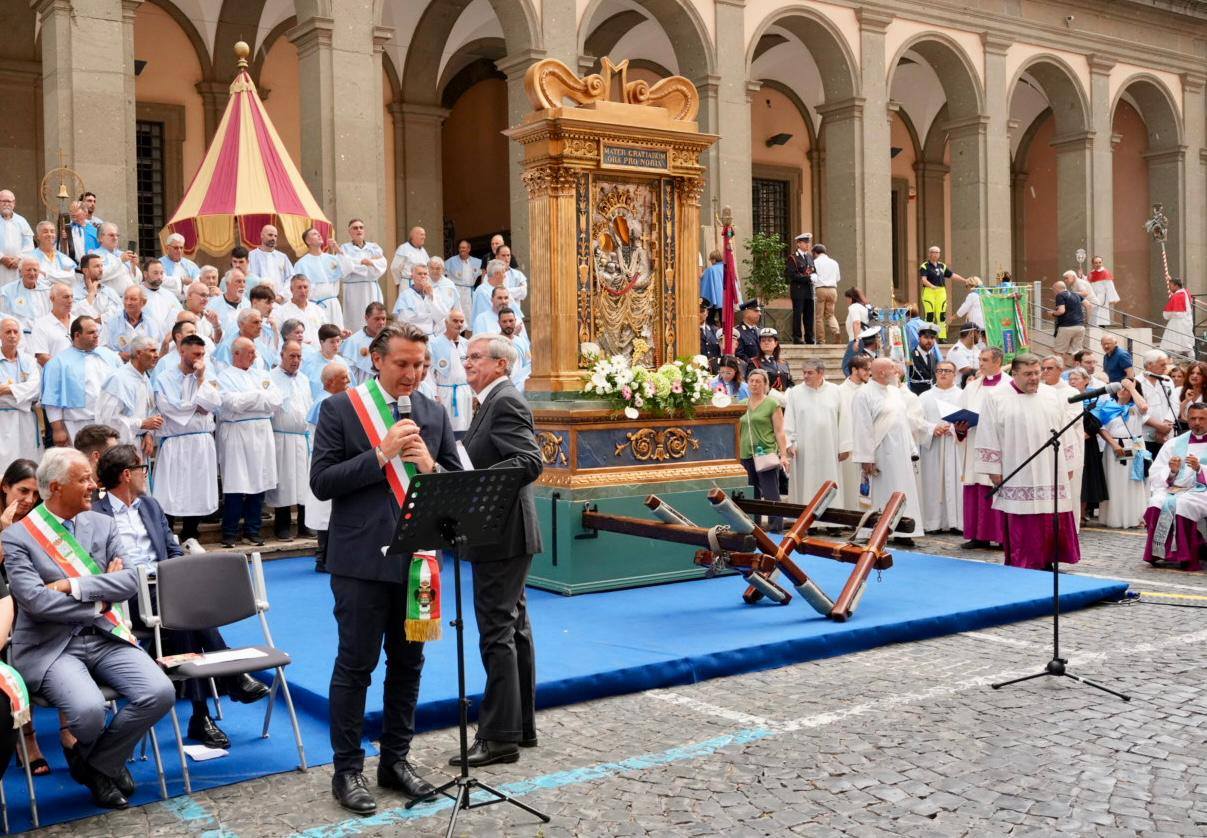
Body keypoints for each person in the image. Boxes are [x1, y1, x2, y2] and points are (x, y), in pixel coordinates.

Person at [310, 321, 460, 813]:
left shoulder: (433, 412)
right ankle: (347, 769)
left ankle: (395, 759)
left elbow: (456, 482)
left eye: (420, 364)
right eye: (402, 364)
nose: (412, 374)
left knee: (409, 664)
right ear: (377, 359)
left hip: (417, 561)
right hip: (360, 561)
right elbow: (322, 482)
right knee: (356, 665)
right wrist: (380, 454)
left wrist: (431, 466)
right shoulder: (341, 408)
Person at [1, 447, 176, 808]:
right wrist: (100, 598)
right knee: (89, 710)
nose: (94, 486)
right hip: (52, 646)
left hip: (105, 634)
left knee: (159, 691)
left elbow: (128, 581)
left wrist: (72, 586)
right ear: (55, 487)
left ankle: (96, 765)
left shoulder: (102, 523)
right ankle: (103, 766)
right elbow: (36, 602)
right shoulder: (18, 537)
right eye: (83, 479)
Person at [92, 444, 270, 749]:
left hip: (167, 589)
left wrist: (177, 577)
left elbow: (173, 550)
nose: (146, 474)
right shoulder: (95, 514)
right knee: (183, 609)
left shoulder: (150, 506)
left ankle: (202, 714)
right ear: (126, 475)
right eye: (142, 468)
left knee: (182, 614)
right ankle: (229, 679)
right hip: (128, 595)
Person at [453, 332, 544, 767]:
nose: (467, 363)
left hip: (502, 534)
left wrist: (477, 485)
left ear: (500, 364)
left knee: (497, 631)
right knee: (512, 628)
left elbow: (529, 460)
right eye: (466, 356)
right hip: (504, 533)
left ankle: (498, 736)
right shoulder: (491, 400)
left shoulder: (504, 401)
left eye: (475, 357)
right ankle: (519, 726)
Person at [975, 353, 1080, 569]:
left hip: (1050, 468)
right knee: (1023, 519)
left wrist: (1068, 463)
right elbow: (987, 433)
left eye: (1037, 373)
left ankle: (1048, 561)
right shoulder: (996, 397)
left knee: (1051, 514)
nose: (1034, 378)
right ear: (1014, 373)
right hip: (1016, 467)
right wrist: (993, 469)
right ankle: (1023, 562)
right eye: (1028, 374)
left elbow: (1064, 429)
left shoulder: (1052, 395)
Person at [0, 458, 48, 775]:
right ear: (5, 487)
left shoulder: (40, 519)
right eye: (22, 491)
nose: (29, 500)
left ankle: (68, 730)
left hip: (33, 599)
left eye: (35, 493)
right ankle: (27, 738)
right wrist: (5, 531)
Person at [152, 335, 220, 547]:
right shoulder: (164, 378)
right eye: (196, 354)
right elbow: (168, 407)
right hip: (176, 441)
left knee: (197, 488)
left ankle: (191, 533)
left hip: (201, 440)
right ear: (182, 352)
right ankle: (167, 535)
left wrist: (200, 380)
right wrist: (196, 405)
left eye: (202, 354)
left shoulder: (207, 375)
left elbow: (213, 403)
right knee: (171, 490)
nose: (200, 358)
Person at [215, 338, 282, 548]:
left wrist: (250, 399)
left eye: (254, 352)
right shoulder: (224, 376)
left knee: (259, 481)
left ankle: (253, 531)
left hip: (261, 433)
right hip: (236, 434)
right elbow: (231, 403)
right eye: (250, 352)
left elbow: (276, 401)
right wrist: (260, 396)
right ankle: (230, 532)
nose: (254, 357)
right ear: (236, 354)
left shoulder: (262, 375)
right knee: (236, 483)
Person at [851, 358, 924, 545]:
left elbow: (903, 422)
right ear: (882, 372)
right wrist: (866, 458)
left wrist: (911, 449)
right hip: (880, 452)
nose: (896, 370)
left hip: (901, 452)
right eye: (892, 368)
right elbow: (862, 428)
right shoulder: (863, 394)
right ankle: (879, 531)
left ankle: (903, 531)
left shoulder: (895, 392)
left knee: (904, 489)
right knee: (883, 492)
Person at [955, 347, 1011, 549]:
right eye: (979, 359)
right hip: (973, 441)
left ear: (998, 361)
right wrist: (959, 428)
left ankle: (1002, 536)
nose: (980, 363)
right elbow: (959, 411)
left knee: (996, 487)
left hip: (998, 443)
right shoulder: (972, 387)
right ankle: (978, 535)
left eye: (985, 360)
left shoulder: (1009, 386)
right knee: (976, 487)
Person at [1142, 401, 1207, 571]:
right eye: (1193, 418)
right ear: (1187, 419)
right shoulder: (1174, 443)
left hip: (1202, 490)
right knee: (1157, 502)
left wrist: (1200, 469)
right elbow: (1156, 472)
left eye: (1202, 418)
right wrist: (1172, 471)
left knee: (1184, 504)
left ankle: (1187, 555)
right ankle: (1157, 552)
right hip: (1175, 488)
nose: (1197, 423)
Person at [42, 316, 122, 446]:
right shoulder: (58, 363)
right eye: (91, 332)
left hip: (109, 422)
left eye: (97, 332)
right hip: (77, 424)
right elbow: (52, 399)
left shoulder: (111, 356)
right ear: (77, 335)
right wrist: (57, 429)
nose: (96, 335)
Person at [784, 358, 851, 505]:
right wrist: (789, 444)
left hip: (830, 447)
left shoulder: (836, 391)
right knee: (806, 485)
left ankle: (831, 515)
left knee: (830, 480)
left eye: (810, 373)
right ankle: (807, 515)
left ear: (821, 373)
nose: (805, 376)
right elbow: (789, 420)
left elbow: (844, 419)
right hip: (804, 450)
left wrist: (845, 447)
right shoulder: (795, 393)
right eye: (804, 372)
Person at [304, 362, 349, 574]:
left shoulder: (330, 401)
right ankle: (323, 557)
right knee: (324, 511)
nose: (349, 382)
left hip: (331, 460)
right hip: (326, 461)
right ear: (331, 382)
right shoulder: (326, 404)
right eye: (344, 378)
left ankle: (329, 556)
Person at [267, 341, 314, 541]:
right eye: (291, 356)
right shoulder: (271, 377)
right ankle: (282, 526)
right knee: (284, 482)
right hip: (281, 435)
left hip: (301, 437)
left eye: (298, 356)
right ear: (282, 355)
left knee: (304, 482)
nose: (295, 360)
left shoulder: (303, 379)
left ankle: (305, 524)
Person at [737, 368, 790, 525]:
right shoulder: (741, 404)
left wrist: (783, 455)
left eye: (758, 381)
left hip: (765, 452)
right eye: (751, 381)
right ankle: (755, 526)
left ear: (765, 384)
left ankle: (776, 526)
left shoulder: (772, 404)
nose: (754, 384)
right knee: (751, 493)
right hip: (746, 452)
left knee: (770, 492)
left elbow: (779, 431)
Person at [916, 360, 963, 533]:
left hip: (955, 446)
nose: (943, 374)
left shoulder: (962, 395)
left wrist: (953, 428)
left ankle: (956, 522)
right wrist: (932, 428)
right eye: (940, 370)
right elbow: (917, 421)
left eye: (947, 371)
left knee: (956, 483)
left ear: (955, 374)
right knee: (932, 483)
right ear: (935, 373)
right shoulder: (924, 397)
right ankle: (933, 522)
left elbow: (969, 419)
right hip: (933, 446)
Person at [95, 336, 161, 456]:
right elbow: (108, 419)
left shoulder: (145, 378)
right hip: (119, 449)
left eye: (157, 350)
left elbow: (150, 412)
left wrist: (148, 434)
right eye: (152, 351)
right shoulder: (118, 379)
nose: (157, 355)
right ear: (139, 353)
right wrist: (140, 424)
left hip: (140, 446)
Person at [1097, 385, 1149, 529]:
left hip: (1134, 447)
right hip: (1114, 447)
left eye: (1126, 389)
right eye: (1121, 388)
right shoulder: (1108, 406)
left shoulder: (1135, 408)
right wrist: (1114, 444)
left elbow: (1144, 407)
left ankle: (1136, 517)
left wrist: (1132, 388)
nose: (1122, 391)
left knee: (1134, 481)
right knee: (1114, 481)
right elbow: (1101, 428)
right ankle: (1114, 517)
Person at [1068, 367, 1109, 523]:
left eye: (1076, 379)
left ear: (1086, 380)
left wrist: (1084, 434)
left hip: (1087, 441)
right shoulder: (1067, 396)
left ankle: (1081, 512)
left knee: (1085, 478)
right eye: (1070, 379)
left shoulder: (1095, 397)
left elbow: (1097, 419)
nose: (1072, 382)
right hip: (1069, 439)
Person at [293, 227, 354, 330]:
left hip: (333, 305)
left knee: (337, 333)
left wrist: (338, 250)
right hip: (315, 306)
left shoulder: (332, 258)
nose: (319, 235)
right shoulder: (301, 263)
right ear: (308, 241)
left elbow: (349, 268)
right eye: (314, 234)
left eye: (319, 233)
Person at [0, 317, 41, 467]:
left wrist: (8, 389)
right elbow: (29, 392)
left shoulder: (29, 361)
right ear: (0, 335)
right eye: (8, 332)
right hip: (3, 422)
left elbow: (36, 389)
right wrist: (23, 396)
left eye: (15, 332)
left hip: (26, 420)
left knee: (28, 464)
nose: (12, 335)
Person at [339, 219, 387, 333]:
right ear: (349, 231)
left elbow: (383, 263)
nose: (359, 230)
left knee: (375, 315)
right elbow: (345, 266)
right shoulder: (344, 248)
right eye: (355, 228)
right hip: (354, 290)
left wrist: (368, 262)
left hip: (371, 287)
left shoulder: (374, 247)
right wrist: (368, 264)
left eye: (361, 227)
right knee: (355, 319)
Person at [426, 310, 471, 434]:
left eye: (461, 321)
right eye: (455, 321)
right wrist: (434, 394)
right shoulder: (434, 344)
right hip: (444, 393)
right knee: (446, 429)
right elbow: (429, 372)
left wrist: (474, 393)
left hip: (465, 393)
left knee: (465, 429)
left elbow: (473, 370)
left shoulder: (467, 344)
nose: (459, 324)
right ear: (446, 323)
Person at [1138, 349, 1180, 473]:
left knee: (1166, 470)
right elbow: (1138, 410)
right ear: (1149, 364)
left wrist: (1165, 426)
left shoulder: (1166, 380)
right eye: (1162, 365)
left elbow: (1174, 404)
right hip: (1146, 435)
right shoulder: (1137, 382)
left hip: (1166, 433)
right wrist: (1158, 426)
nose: (1165, 368)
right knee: (1148, 470)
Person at [837, 356, 871, 510]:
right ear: (854, 370)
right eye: (866, 369)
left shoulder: (870, 390)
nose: (869, 373)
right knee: (850, 487)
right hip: (849, 446)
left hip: (868, 444)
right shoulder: (839, 391)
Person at [103, 285, 164, 362]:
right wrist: (118, 354)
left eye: (133, 299)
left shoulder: (152, 323)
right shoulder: (112, 321)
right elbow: (104, 348)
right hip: (119, 364)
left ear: (143, 302)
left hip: (146, 365)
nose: (128, 303)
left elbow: (159, 346)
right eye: (126, 299)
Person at [918, 245, 965, 340]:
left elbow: (952, 275)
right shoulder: (925, 266)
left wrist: (964, 280)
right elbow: (924, 280)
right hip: (929, 292)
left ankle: (942, 337)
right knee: (930, 314)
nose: (936, 254)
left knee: (941, 315)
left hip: (941, 291)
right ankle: (929, 336)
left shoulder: (942, 266)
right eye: (934, 252)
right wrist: (932, 286)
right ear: (930, 254)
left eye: (937, 252)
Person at [340, 302, 388, 386]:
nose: (381, 322)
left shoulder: (390, 339)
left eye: (383, 319)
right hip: (364, 388)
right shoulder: (354, 341)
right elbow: (350, 373)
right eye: (377, 319)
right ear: (366, 318)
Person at [0, 256, 50, 335]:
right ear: (20, 272)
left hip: (43, 334)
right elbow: (3, 316)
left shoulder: (47, 291)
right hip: (18, 335)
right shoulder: (6, 291)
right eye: (28, 270)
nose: (32, 273)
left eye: (35, 270)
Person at [213, 307, 273, 372]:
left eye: (260, 322)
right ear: (241, 324)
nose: (260, 326)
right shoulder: (227, 347)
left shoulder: (259, 343)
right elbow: (222, 372)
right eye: (255, 322)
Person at [29, 283, 75, 366]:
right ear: (52, 299)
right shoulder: (41, 325)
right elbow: (42, 357)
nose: (70, 301)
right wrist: (67, 369)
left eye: (72, 297)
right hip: (56, 372)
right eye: (66, 297)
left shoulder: (78, 321)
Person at [89, 223, 141, 295]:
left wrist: (133, 266)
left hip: (129, 298)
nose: (115, 238)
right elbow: (99, 275)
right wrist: (120, 260)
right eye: (111, 235)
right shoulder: (94, 256)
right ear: (101, 238)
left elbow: (137, 280)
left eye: (117, 235)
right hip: (109, 298)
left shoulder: (123, 254)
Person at [302, 324, 351, 400]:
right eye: (332, 342)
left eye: (338, 341)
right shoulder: (310, 363)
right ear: (322, 342)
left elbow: (350, 385)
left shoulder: (341, 361)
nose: (336, 345)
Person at [276, 275, 326, 346]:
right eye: (299, 287)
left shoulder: (318, 310)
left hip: (318, 350)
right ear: (291, 290)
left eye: (305, 287)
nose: (303, 291)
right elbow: (278, 337)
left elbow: (326, 333)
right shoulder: (281, 311)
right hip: (294, 351)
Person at [784, 233, 815, 344]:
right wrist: (808, 278)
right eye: (805, 242)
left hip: (809, 290)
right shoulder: (793, 258)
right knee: (798, 314)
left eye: (808, 243)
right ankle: (797, 337)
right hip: (798, 290)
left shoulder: (809, 257)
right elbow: (792, 275)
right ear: (798, 244)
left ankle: (809, 336)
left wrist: (814, 276)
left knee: (809, 314)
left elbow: (813, 270)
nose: (807, 245)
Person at [0, 190, 33, 287]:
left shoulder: (22, 221)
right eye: (3, 201)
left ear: (14, 203)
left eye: (9, 201)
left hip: (17, 267)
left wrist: (19, 258)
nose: (6, 204)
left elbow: (29, 245)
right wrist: (1, 258)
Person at [1051, 275, 1086, 368]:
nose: (1053, 292)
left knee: (1058, 352)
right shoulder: (1076, 294)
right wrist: (1086, 320)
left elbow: (1061, 311)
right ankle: (1078, 371)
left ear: (1057, 289)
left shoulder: (1060, 295)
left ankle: (1058, 373)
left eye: (1053, 290)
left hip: (1066, 327)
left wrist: (1052, 313)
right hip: (1080, 326)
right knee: (1076, 352)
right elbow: (1088, 305)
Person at [247, 225, 294, 291]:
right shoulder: (251, 256)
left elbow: (291, 277)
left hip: (279, 296)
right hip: (258, 295)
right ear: (262, 235)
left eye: (275, 236)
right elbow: (248, 277)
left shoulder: (282, 257)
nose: (273, 238)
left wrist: (282, 294)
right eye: (270, 235)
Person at [30, 220, 77, 287]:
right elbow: (37, 280)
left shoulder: (63, 258)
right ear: (38, 236)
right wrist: (60, 277)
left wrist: (45, 274)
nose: (49, 234)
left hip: (61, 292)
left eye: (52, 231)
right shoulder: (30, 258)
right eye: (45, 232)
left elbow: (71, 278)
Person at [206, 268, 249, 339]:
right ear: (228, 284)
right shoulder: (214, 303)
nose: (242, 285)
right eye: (238, 281)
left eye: (244, 282)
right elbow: (209, 331)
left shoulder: (247, 303)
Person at [810, 243, 840, 343]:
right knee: (830, 315)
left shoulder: (815, 262)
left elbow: (813, 277)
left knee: (819, 317)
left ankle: (821, 340)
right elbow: (838, 278)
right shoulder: (834, 262)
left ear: (815, 253)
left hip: (820, 289)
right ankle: (836, 331)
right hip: (832, 290)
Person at [1160, 276, 1195, 357]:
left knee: (1174, 342)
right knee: (1182, 343)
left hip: (1178, 322)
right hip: (1185, 322)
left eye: (1171, 285)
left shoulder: (1178, 296)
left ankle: (1191, 360)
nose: (1169, 287)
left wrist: (1167, 315)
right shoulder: (1185, 292)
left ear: (1176, 286)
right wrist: (1171, 279)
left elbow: (1174, 312)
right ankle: (1190, 360)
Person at [158, 233, 200, 300]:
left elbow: (199, 280)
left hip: (188, 301)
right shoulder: (159, 264)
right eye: (176, 248)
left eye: (181, 248)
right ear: (167, 248)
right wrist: (181, 280)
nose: (179, 250)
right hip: (167, 300)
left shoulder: (190, 264)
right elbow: (161, 281)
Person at [447, 239, 481, 317]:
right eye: (460, 248)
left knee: (469, 313)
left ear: (469, 249)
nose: (461, 249)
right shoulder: (451, 261)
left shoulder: (477, 262)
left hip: (469, 292)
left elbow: (485, 273)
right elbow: (442, 271)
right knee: (457, 311)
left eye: (464, 248)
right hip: (456, 291)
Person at [389, 226, 429, 292]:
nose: (424, 237)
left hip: (422, 284)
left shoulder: (423, 250)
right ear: (414, 236)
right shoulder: (403, 248)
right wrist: (399, 282)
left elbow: (427, 266)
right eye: (422, 235)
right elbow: (395, 268)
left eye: (424, 235)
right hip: (407, 284)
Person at [1087, 255, 1119, 327]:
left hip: (1101, 296)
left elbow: (1110, 286)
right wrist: (1081, 276)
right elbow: (1087, 283)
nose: (1098, 264)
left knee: (1101, 313)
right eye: (1096, 263)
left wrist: (1113, 298)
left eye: (1100, 262)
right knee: (1093, 313)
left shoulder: (1105, 272)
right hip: (1093, 296)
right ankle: (1093, 325)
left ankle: (1101, 326)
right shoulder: (1091, 273)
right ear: (1092, 264)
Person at [908, 325, 941, 395]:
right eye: (926, 337)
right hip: (916, 397)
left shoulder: (933, 357)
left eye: (932, 338)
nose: (929, 341)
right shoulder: (910, 356)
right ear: (919, 338)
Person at [699, 250, 725, 324]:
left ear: (714, 259)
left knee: (710, 319)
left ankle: (713, 331)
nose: (710, 261)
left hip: (713, 299)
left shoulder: (710, 270)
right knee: (724, 321)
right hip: (725, 299)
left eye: (710, 259)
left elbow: (705, 284)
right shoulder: (726, 268)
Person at [733, 300, 761, 367]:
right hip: (748, 369)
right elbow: (739, 354)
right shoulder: (738, 332)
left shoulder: (760, 331)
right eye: (756, 311)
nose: (760, 314)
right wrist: (754, 364)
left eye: (759, 311)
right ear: (746, 313)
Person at [698, 297, 721, 369]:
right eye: (696, 311)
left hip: (714, 370)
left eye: (701, 311)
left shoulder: (715, 331)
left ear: (707, 313)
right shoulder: (689, 332)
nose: (698, 314)